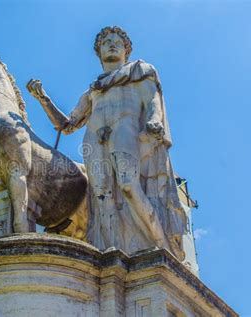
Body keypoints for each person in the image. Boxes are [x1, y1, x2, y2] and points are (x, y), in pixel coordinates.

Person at [27, 26, 186, 259]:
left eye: (117, 42)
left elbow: (152, 100)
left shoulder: (139, 70)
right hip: (95, 139)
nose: (112, 45)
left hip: (126, 130)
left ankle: (159, 243)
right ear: (99, 53)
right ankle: (110, 254)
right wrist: (43, 99)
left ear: (126, 50)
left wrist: (154, 120)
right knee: (101, 197)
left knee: (129, 185)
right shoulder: (94, 90)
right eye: (106, 42)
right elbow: (67, 125)